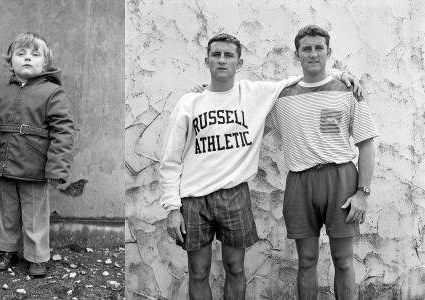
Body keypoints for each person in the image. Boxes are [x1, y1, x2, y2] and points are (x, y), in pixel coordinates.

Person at [160, 33, 360, 299]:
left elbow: (303, 76)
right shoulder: (189, 103)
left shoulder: (253, 94)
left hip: (234, 194)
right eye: (216, 54)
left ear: (239, 63)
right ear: (206, 60)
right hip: (194, 198)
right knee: (197, 272)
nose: (222, 60)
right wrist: (172, 207)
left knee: (235, 268)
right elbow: (170, 159)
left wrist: (338, 73)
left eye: (228, 55)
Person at [265, 25, 377, 299]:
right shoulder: (280, 97)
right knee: (306, 261)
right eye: (307, 49)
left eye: (318, 48)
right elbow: (241, 103)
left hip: (340, 179)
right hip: (300, 181)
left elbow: (366, 145)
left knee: (343, 260)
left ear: (329, 52)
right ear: (297, 54)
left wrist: (362, 193)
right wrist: (206, 92)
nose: (313, 54)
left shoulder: (349, 91)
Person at [0, 32, 75, 277]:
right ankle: (5, 250)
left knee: (35, 215)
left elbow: (63, 132)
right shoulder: (2, 93)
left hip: (35, 166)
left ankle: (37, 256)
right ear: (10, 61)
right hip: (4, 162)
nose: (27, 58)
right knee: (5, 212)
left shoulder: (53, 93)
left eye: (35, 55)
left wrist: (57, 168)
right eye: (21, 54)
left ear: (45, 63)